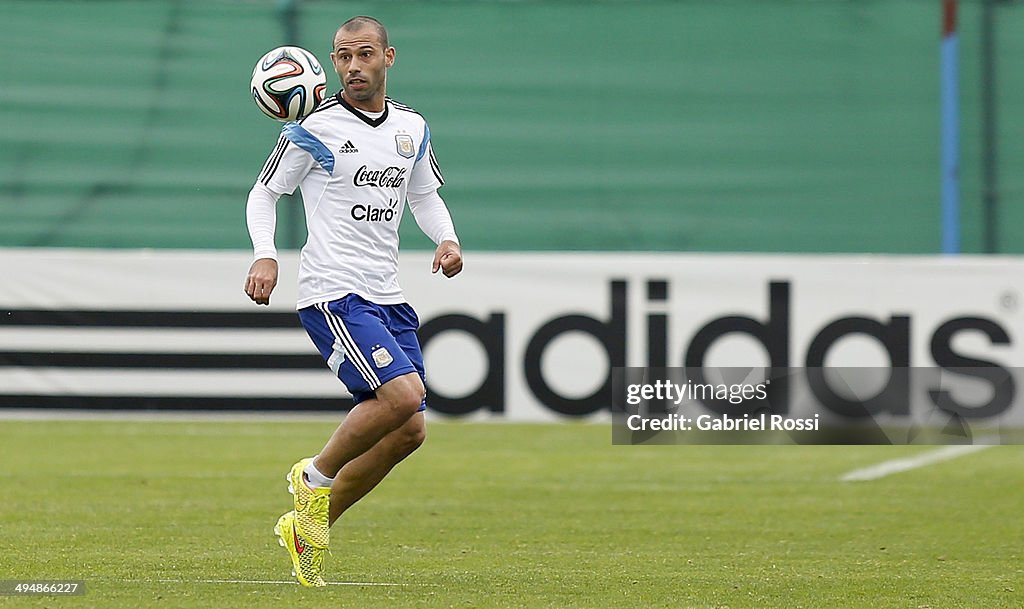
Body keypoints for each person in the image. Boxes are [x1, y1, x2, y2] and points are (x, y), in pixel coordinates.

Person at [243, 15, 462, 587]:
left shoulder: (411, 127)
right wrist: (266, 254)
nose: (352, 66)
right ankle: (313, 477)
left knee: (410, 429)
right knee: (402, 394)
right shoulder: (312, 126)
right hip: (333, 292)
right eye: (342, 56)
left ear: (388, 57)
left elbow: (425, 196)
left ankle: (308, 525)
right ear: (332, 63)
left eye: (364, 54)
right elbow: (264, 194)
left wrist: (448, 238)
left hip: (387, 293)